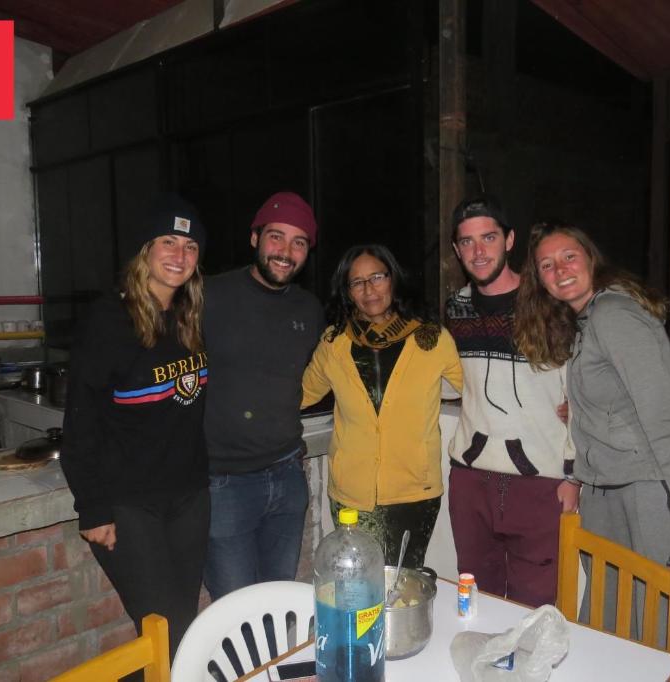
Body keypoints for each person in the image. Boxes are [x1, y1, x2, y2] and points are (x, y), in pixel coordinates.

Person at [517, 221, 670, 681]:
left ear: (591, 258)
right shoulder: (587, 321)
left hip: (646, 495)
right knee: (613, 625)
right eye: (547, 265)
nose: (559, 270)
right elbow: (611, 405)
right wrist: (577, 475)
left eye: (569, 257)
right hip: (607, 495)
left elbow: (668, 421)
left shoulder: (615, 316)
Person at [61, 193, 210, 656]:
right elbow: (80, 418)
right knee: (166, 629)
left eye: (190, 247)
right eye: (168, 242)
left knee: (180, 625)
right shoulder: (109, 319)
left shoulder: (190, 317)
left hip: (189, 496)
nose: (179, 255)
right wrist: (93, 506)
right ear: (145, 250)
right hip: (130, 504)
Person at [444, 196, 579, 607]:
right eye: (467, 242)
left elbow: (580, 391)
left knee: (536, 611)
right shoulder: (456, 309)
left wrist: (574, 476)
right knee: (476, 603)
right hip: (470, 481)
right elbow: (450, 381)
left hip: (541, 485)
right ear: (457, 250)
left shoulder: (550, 305)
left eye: (488, 238)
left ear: (509, 240)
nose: (478, 251)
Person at [301, 244, 462, 568]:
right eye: (357, 282)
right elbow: (301, 394)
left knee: (404, 581)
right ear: (347, 291)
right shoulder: (334, 342)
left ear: (393, 279)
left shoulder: (431, 338)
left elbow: (472, 388)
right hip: (351, 493)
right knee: (358, 583)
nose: (368, 289)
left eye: (377, 277)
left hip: (414, 490)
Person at [202, 191, 324, 601]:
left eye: (299, 242)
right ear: (255, 238)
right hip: (224, 483)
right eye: (276, 237)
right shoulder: (209, 296)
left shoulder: (309, 309)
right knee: (234, 610)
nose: (286, 251)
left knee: (278, 603)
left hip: (288, 476)